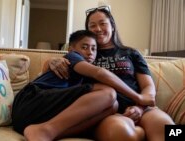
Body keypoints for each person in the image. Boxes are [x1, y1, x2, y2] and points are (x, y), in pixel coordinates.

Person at [46, 6, 175, 141]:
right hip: (108, 112)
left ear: (112, 26)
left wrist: (140, 108)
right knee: (121, 134)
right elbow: (59, 67)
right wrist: (52, 61)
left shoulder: (131, 53)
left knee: (171, 130)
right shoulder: (84, 53)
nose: (98, 29)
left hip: (141, 108)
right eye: (92, 26)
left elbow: (148, 87)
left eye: (103, 23)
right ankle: (139, 133)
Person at [11, 30, 154, 141]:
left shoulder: (83, 75)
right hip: (29, 101)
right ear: (71, 49)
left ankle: (46, 131)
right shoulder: (73, 58)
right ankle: (47, 130)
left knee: (112, 105)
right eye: (84, 47)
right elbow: (99, 73)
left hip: (32, 117)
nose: (90, 52)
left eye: (94, 49)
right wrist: (138, 98)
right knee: (108, 93)